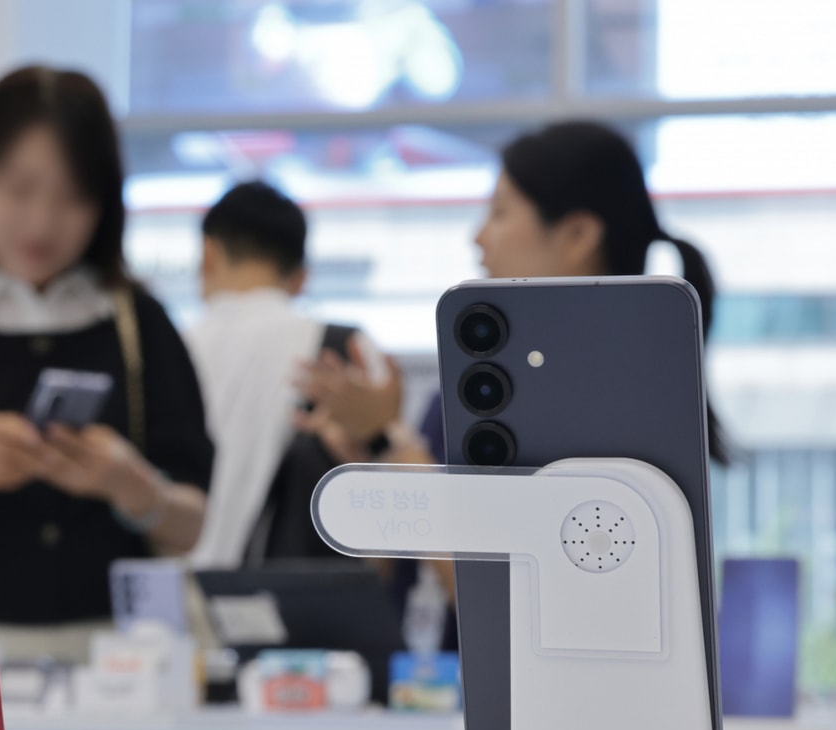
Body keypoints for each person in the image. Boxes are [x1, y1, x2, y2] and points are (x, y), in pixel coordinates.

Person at [299, 120, 731, 647]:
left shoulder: (617, 413)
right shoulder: (467, 392)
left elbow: (504, 604)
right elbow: (403, 580)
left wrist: (391, 441)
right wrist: (372, 464)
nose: (478, 237)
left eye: (500, 212)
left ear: (577, 235)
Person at [0, 65, 214, 658]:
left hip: (120, 658)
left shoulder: (139, 323)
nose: (41, 222)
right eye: (19, 189)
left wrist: (132, 486)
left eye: (72, 197)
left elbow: (191, 524)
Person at [184, 181, 397, 568]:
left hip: (178, 592)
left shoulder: (170, 350)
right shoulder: (346, 352)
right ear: (301, 277)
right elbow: (394, 527)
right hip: (306, 598)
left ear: (208, 255)